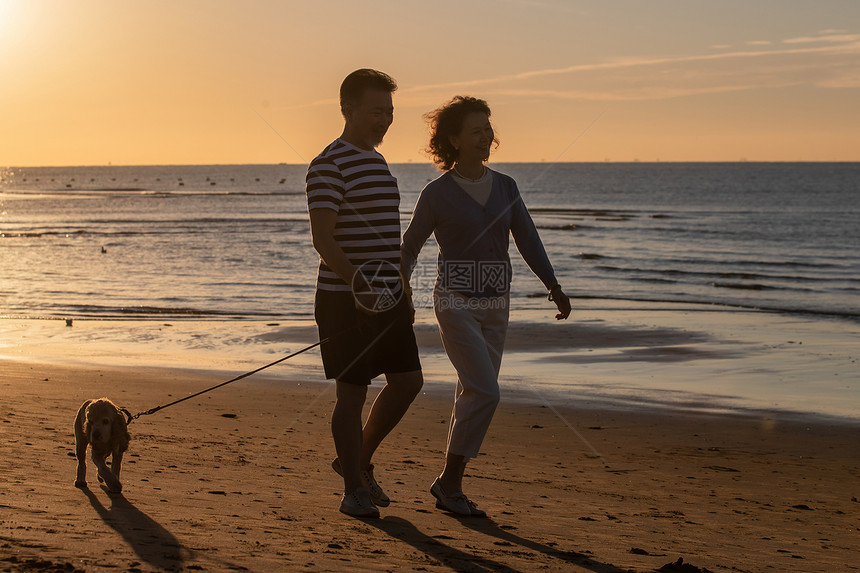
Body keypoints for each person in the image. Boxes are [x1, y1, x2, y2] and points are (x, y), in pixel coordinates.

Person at [401, 96, 571, 517]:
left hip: (497, 303)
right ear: (454, 139)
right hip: (454, 302)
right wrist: (399, 291)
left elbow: (528, 239)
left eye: (488, 129)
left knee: (472, 392)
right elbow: (410, 246)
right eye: (475, 130)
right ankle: (450, 483)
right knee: (486, 390)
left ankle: (448, 484)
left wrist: (553, 285)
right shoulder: (436, 193)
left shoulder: (507, 187)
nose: (485, 136)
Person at [306, 69, 424, 518]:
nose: (386, 120)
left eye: (390, 112)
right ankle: (353, 489)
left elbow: (385, 236)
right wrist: (358, 285)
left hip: (389, 296)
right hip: (344, 299)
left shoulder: (379, 163)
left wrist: (403, 288)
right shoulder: (327, 165)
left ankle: (357, 461)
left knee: (408, 382)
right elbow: (323, 238)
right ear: (348, 110)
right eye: (377, 111)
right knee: (351, 395)